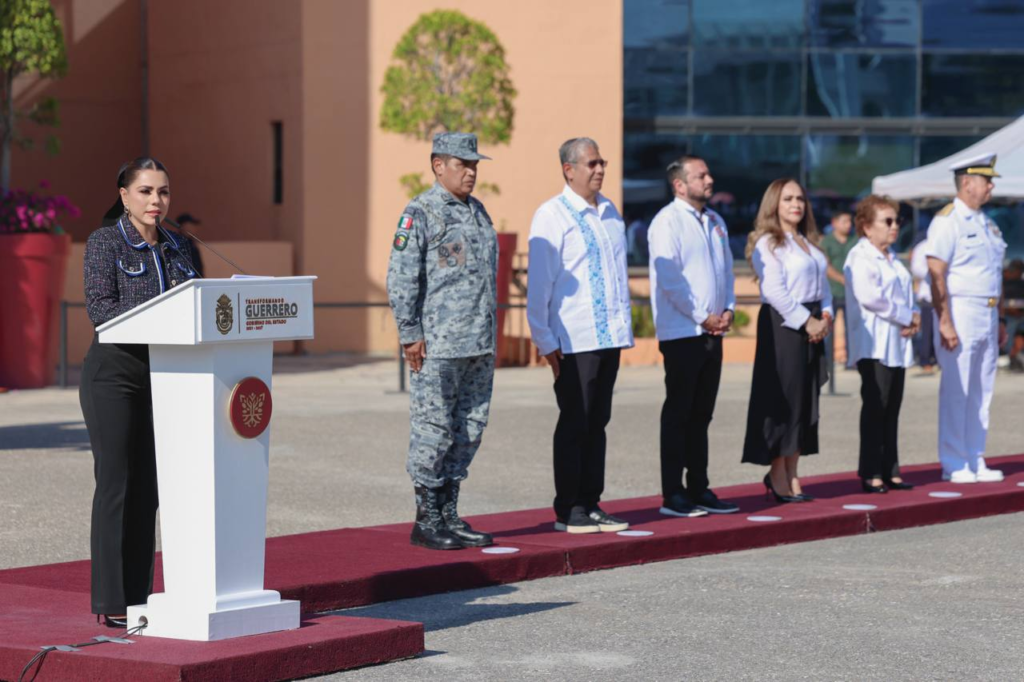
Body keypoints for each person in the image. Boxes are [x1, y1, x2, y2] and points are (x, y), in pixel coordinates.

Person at [80, 158, 200, 627]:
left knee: (148, 488)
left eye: (163, 192)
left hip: (167, 376)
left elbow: (198, 304)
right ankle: (112, 601)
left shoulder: (179, 245)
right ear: (124, 195)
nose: (156, 201)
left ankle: (139, 596)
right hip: (115, 373)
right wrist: (162, 317)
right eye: (146, 191)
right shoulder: (105, 242)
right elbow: (101, 308)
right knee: (117, 484)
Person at [386, 132, 499, 550]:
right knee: (433, 429)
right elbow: (401, 278)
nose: (471, 172)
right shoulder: (421, 212)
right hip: (438, 345)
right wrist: (410, 334)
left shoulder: (478, 211)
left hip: (478, 343)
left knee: (469, 429)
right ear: (438, 165)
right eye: (462, 164)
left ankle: (449, 513)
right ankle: (426, 518)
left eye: (474, 165)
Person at [527, 137, 634, 534]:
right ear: (568, 170)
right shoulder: (551, 215)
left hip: (608, 337)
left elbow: (617, 277)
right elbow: (540, 284)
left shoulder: (610, 212)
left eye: (602, 162)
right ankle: (568, 507)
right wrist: (545, 341)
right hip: (574, 339)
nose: (600, 169)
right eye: (592, 163)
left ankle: (591, 501)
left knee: (598, 421)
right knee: (575, 421)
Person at [647, 155, 738, 517]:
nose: (709, 179)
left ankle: (699, 487)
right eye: (701, 175)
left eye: (708, 173)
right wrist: (703, 316)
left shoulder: (715, 220)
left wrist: (728, 309)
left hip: (713, 331)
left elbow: (726, 271)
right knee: (679, 413)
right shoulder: (666, 221)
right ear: (679, 185)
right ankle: (674, 493)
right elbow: (671, 281)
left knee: (702, 414)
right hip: (683, 331)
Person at [741, 178, 833, 502]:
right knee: (784, 399)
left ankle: (794, 471)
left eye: (800, 199)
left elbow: (824, 286)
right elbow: (774, 291)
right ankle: (777, 471)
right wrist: (807, 322)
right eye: (788, 199)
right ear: (774, 205)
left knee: (805, 400)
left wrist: (826, 316)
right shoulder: (769, 242)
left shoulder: (809, 242)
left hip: (813, 322)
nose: (796, 204)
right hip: (784, 325)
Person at [926, 153, 1008, 483]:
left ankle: (975, 456)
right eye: (986, 180)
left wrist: (999, 318)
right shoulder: (948, 220)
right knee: (957, 389)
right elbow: (936, 272)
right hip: (961, 309)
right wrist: (944, 320)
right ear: (966, 182)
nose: (990, 187)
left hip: (987, 310)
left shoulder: (987, 223)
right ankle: (953, 461)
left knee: (981, 389)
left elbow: (995, 274)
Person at [844, 195, 920, 494]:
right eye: (887, 221)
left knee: (892, 407)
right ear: (866, 226)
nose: (894, 226)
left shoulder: (892, 257)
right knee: (876, 406)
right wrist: (906, 316)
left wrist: (913, 316)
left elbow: (906, 294)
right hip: (874, 343)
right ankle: (871, 471)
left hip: (896, 343)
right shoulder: (860, 256)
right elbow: (870, 297)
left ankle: (891, 469)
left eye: (896, 220)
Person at [821, 211, 857, 368]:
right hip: (832, 291)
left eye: (849, 221)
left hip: (851, 292)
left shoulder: (855, 240)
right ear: (834, 223)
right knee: (828, 328)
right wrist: (842, 279)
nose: (848, 225)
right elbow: (825, 265)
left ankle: (852, 360)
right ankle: (827, 361)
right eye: (844, 221)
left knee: (852, 327)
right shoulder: (826, 241)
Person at [909, 234, 937, 373]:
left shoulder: (948, 242)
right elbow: (916, 268)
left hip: (947, 296)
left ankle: (937, 358)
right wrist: (934, 271)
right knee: (927, 331)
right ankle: (925, 360)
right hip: (928, 296)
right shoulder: (923, 247)